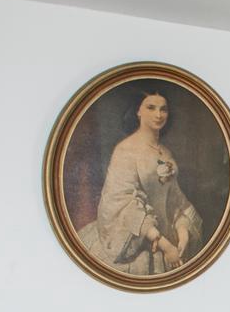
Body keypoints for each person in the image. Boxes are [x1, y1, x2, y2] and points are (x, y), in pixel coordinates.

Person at [78, 90, 203, 276]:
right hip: (142, 242)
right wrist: (164, 244)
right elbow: (122, 202)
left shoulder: (166, 153)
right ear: (138, 111)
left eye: (163, 109)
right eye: (151, 108)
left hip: (169, 237)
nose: (158, 115)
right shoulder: (125, 149)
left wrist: (183, 229)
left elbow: (175, 198)